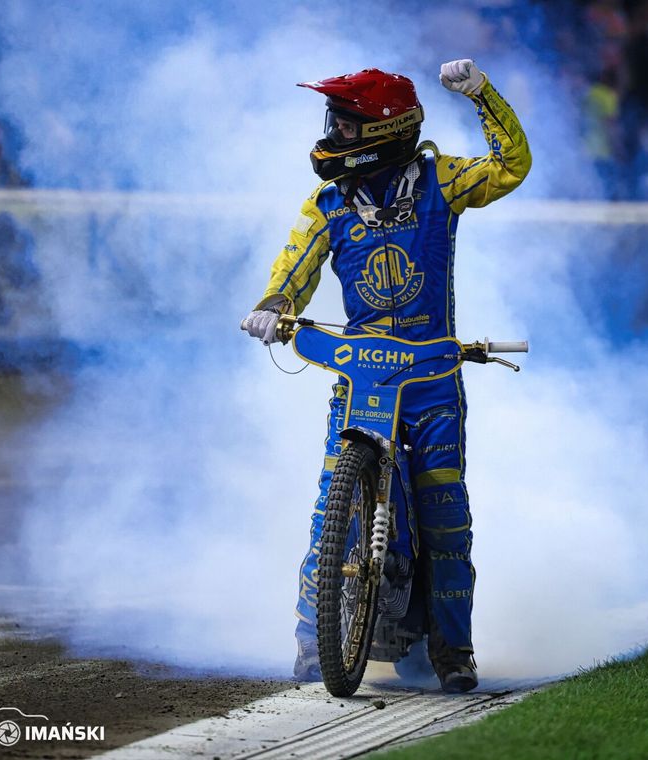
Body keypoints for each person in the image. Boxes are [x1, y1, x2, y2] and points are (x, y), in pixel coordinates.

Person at [242, 59, 531, 693]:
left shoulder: (441, 180)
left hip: (432, 383)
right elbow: (295, 267)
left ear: (384, 130)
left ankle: (454, 650)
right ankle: (313, 648)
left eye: (346, 126)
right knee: (328, 515)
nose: (334, 135)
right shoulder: (326, 202)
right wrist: (271, 307)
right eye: (335, 123)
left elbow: (510, 167)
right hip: (360, 379)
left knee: (445, 515)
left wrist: (484, 95)